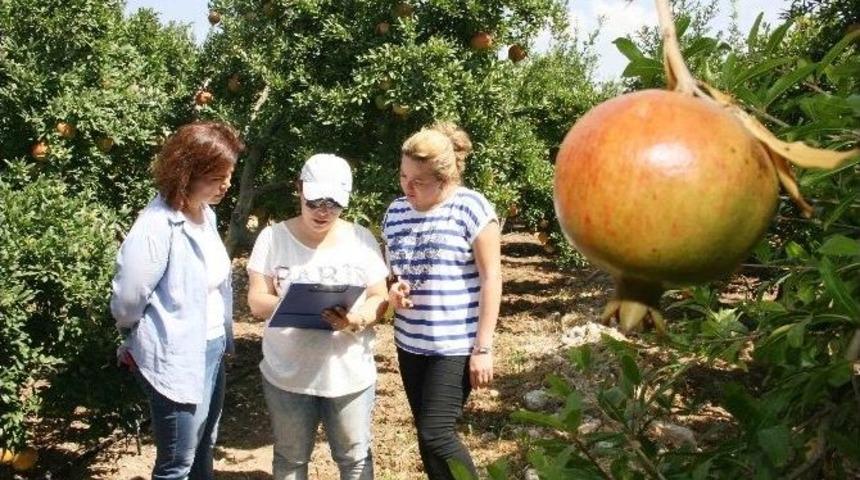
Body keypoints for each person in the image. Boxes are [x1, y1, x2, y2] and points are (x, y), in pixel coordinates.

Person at [110, 121, 245, 480]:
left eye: (229, 174)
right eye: (218, 177)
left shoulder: (205, 215)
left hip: (210, 346)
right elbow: (127, 299)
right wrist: (136, 338)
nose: (227, 184)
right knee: (177, 463)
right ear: (187, 173)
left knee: (204, 443)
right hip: (176, 353)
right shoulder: (157, 225)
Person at [246, 154, 389, 480]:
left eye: (334, 203)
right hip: (288, 375)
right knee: (291, 459)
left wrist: (356, 319)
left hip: (349, 374)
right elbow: (256, 299)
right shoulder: (272, 238)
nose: (323, 211)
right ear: (299, 190)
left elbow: (379, 296)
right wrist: (293, 303)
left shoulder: (361, 239)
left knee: (354, 458)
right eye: (314, 201)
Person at [382, 122, 502, 479]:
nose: (408, 187)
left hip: (454, 345)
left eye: (418, 181)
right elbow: (391, 271)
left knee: (437, 434)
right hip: (410, 342)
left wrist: (483, 347)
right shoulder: (396, 212)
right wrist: (393, 289)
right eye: (403, 176)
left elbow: (491, 277)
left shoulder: (471, 209)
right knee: (426, 434)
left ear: (445, 179)